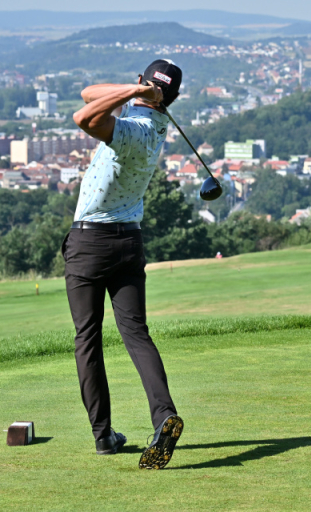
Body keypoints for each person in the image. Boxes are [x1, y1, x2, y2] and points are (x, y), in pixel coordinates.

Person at [64, 59, 184, 470]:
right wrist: (142, 93)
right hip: (129, 240)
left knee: (88, 339)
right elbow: (88, 92)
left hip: (90, 241)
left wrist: (135, 91)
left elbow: (83, 115)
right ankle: (163, 415)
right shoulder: (157, 126)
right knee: (135, 333)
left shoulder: (134, 130)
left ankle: (103, 437)